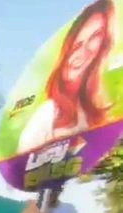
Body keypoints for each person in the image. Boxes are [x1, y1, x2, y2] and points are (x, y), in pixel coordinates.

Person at [18, 0, 115, 153]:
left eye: (95, 37)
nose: (82, 53)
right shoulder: (47, 114)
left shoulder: (96, 110)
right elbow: (23, 165)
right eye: (77, 45)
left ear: (103, 48)